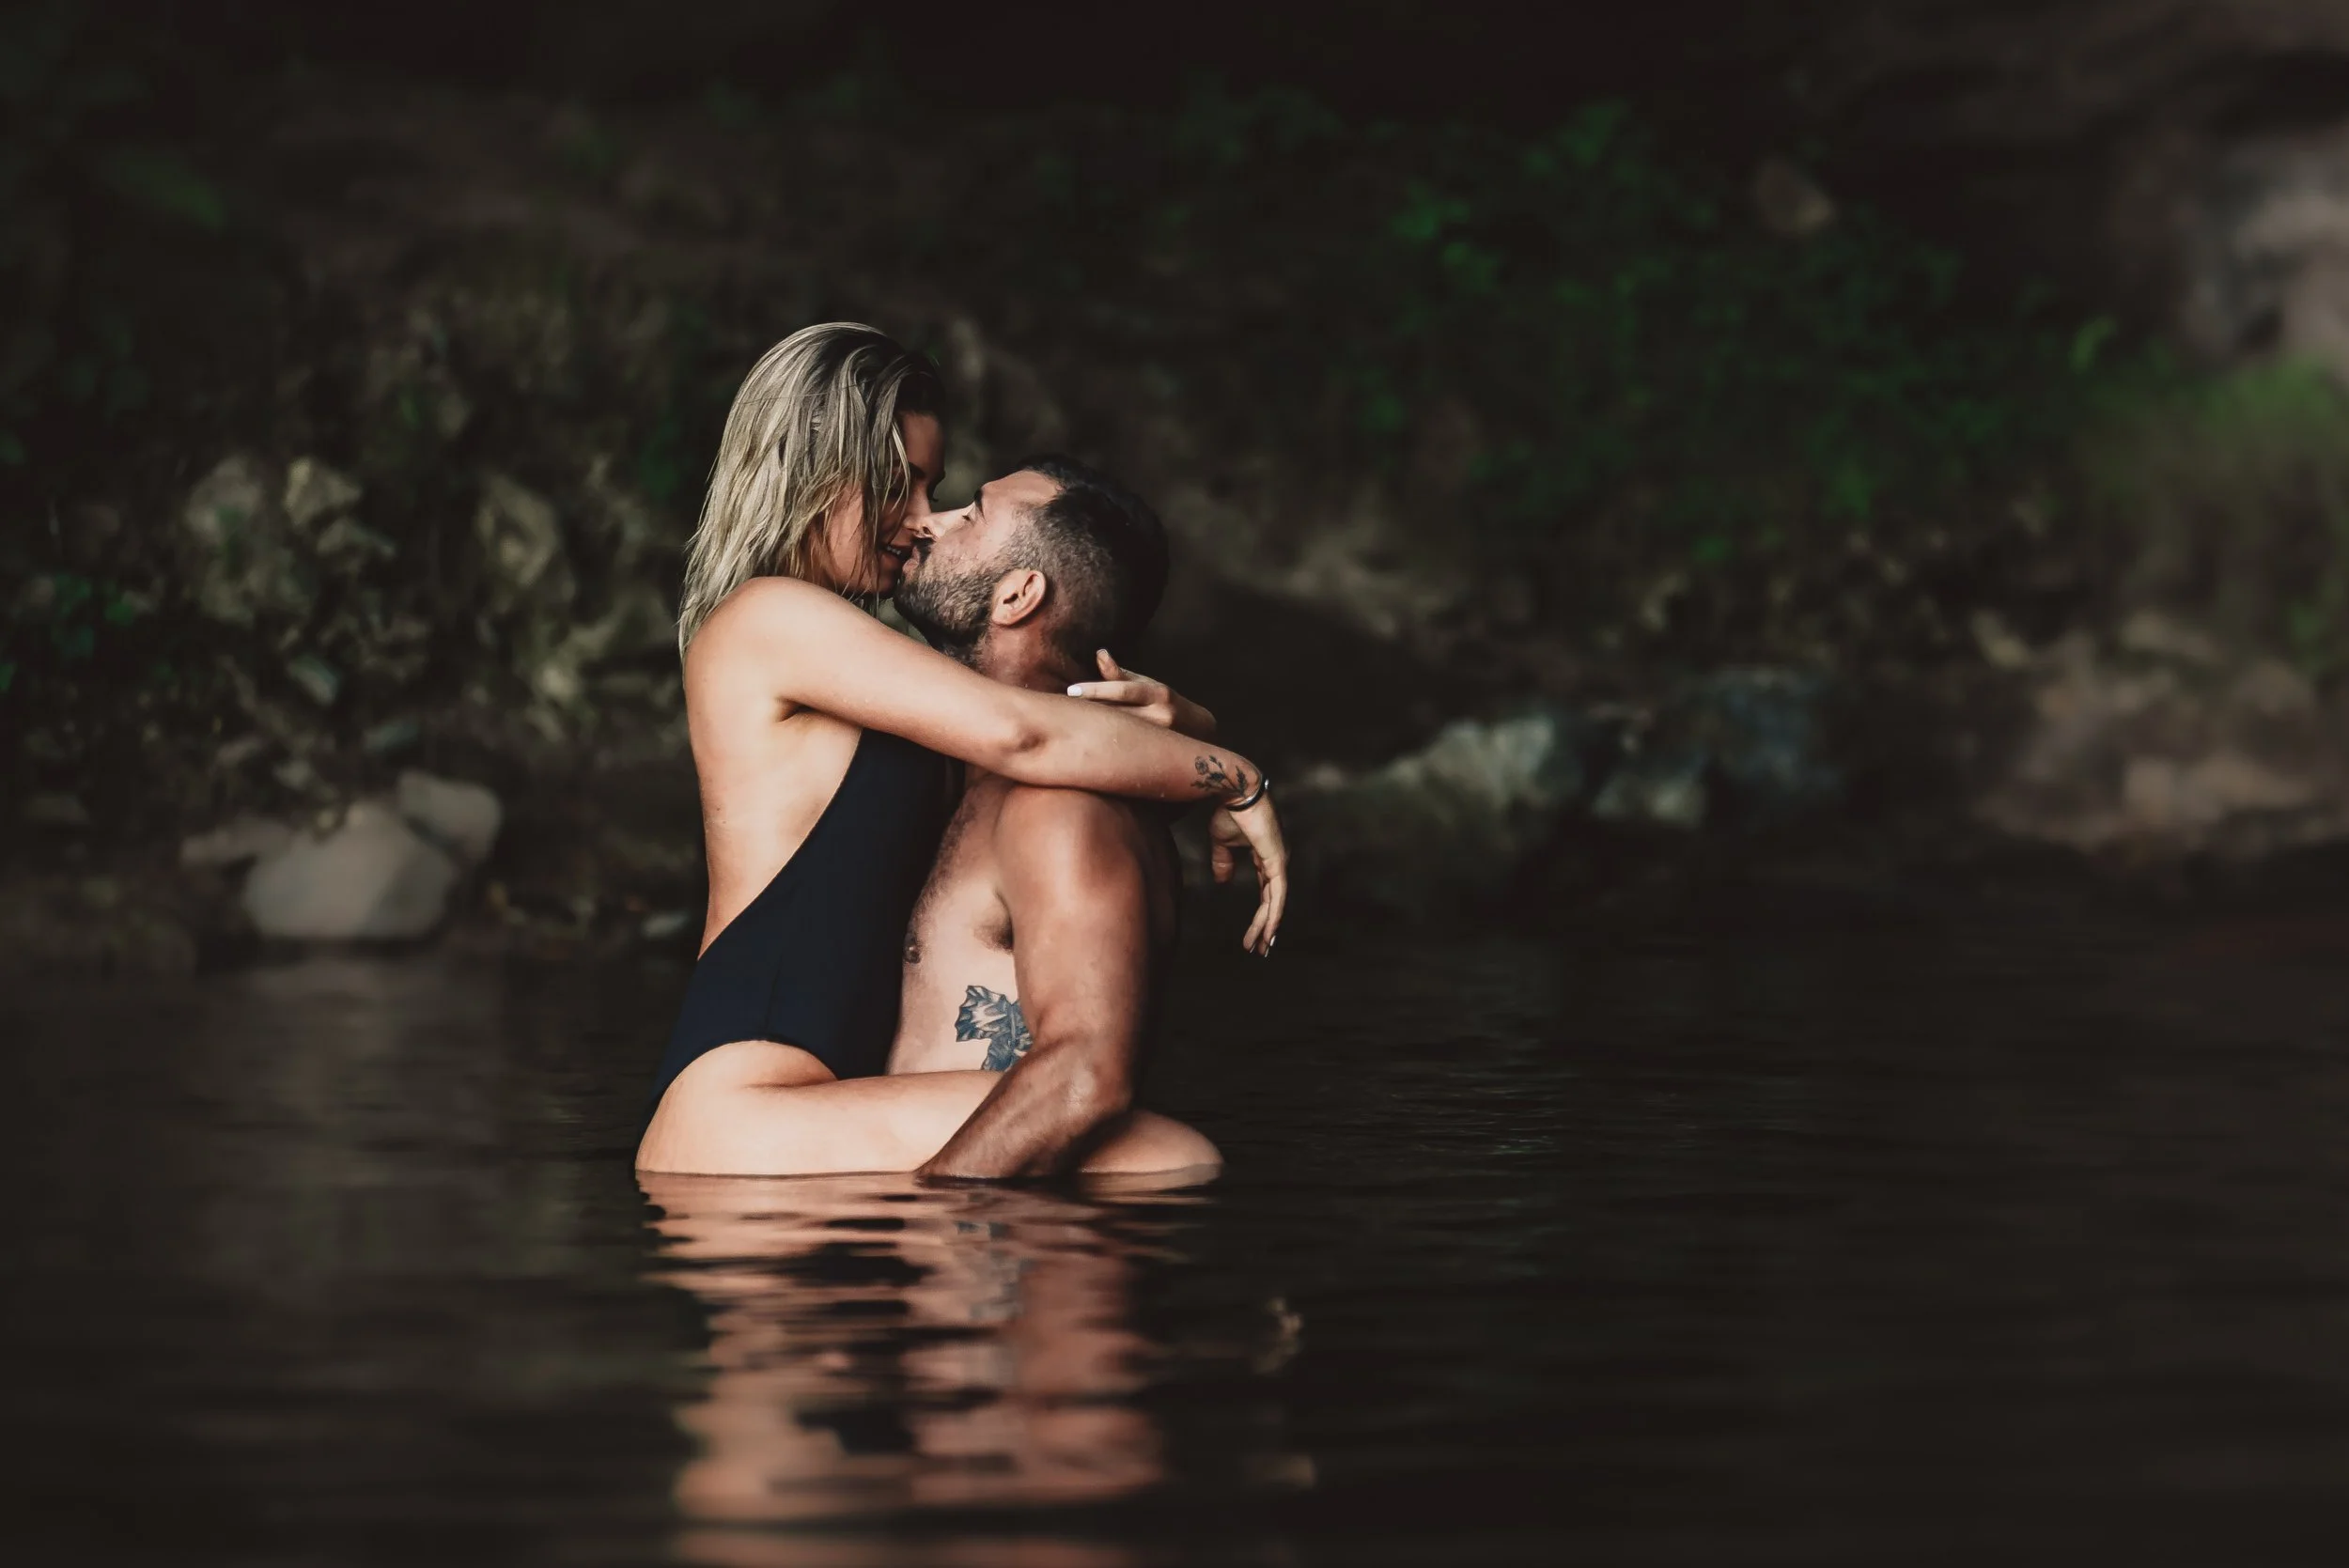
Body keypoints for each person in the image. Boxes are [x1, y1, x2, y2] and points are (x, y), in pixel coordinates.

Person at [635, 323, 1284, 1178]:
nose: (920, 521)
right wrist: (1237, 781)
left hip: (811, 1116)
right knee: (1164, 1155)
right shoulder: (767, 618)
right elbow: (1021, 732)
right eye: (903, 486)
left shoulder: (888, 676)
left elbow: (1027, 729)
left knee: (1107, 1132)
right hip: (742, 1111)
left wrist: (1192, 725)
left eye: (934, 491)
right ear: (828, 471)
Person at [887, 457, 1213, 1180]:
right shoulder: (989, 781)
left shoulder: (1060, 806)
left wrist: (917, 1219)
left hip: (1007, 1266)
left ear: (1018, 595)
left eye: (969, 513)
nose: (926, 524)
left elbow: (1084, 1076)